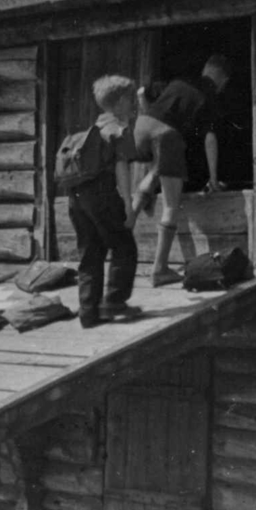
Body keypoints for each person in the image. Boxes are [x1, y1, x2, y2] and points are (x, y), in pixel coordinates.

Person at [131, 54, 231, 286]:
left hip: (141, 127)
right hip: (165, 136)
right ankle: (159, 270)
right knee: (170, 206)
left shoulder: (179, 82)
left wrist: (151, 118)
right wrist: (214, 180)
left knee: (157, 170)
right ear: (222, 79)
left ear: (205, 69)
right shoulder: (210, 95)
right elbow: (209, 140)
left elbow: (140, 93)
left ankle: (121, 237)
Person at [66, 75, 141, 329]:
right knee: (124, 246)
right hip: (103, 195)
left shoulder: (90, 132)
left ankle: (88, 313)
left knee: (90, 253)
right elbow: (122, 170)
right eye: (130, 100)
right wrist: (129, 208)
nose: (133, 105)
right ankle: (115, 303)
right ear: (120, 102)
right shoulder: (118, 130)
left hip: (76, 198)